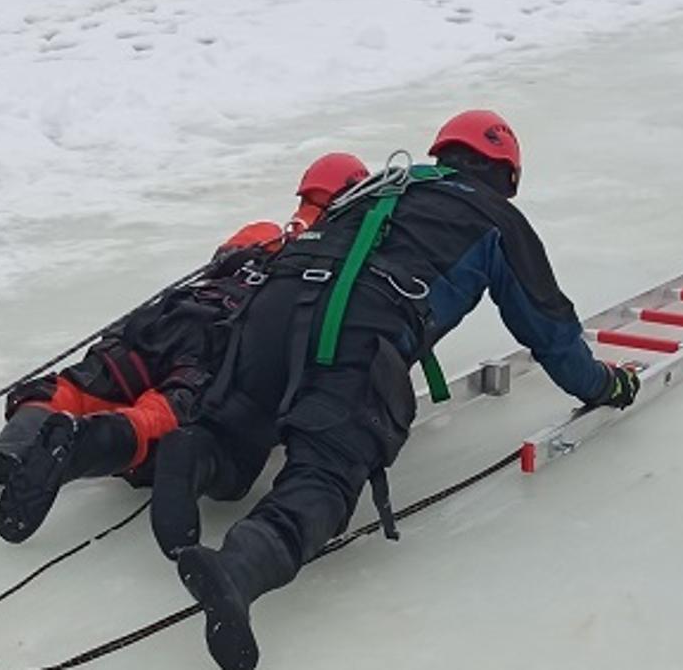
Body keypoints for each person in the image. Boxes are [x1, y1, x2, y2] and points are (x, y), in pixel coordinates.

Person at [154, 110, 642, 670]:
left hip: (274, 308)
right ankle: (239, 568)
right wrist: (605, 384)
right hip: (362, 323)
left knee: (241, 422)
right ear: (507, 175)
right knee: (328, 470)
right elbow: (549, 329)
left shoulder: (385, 184)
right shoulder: (496, 219)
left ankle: (193, 452)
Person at [0, 152, 370, 545]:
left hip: (166, 321)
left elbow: (219, 263)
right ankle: (79, 445)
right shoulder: (337, 259)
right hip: (225, 340)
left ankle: (10, 448)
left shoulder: (260, 232)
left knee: (74, 386)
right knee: (163, 413)